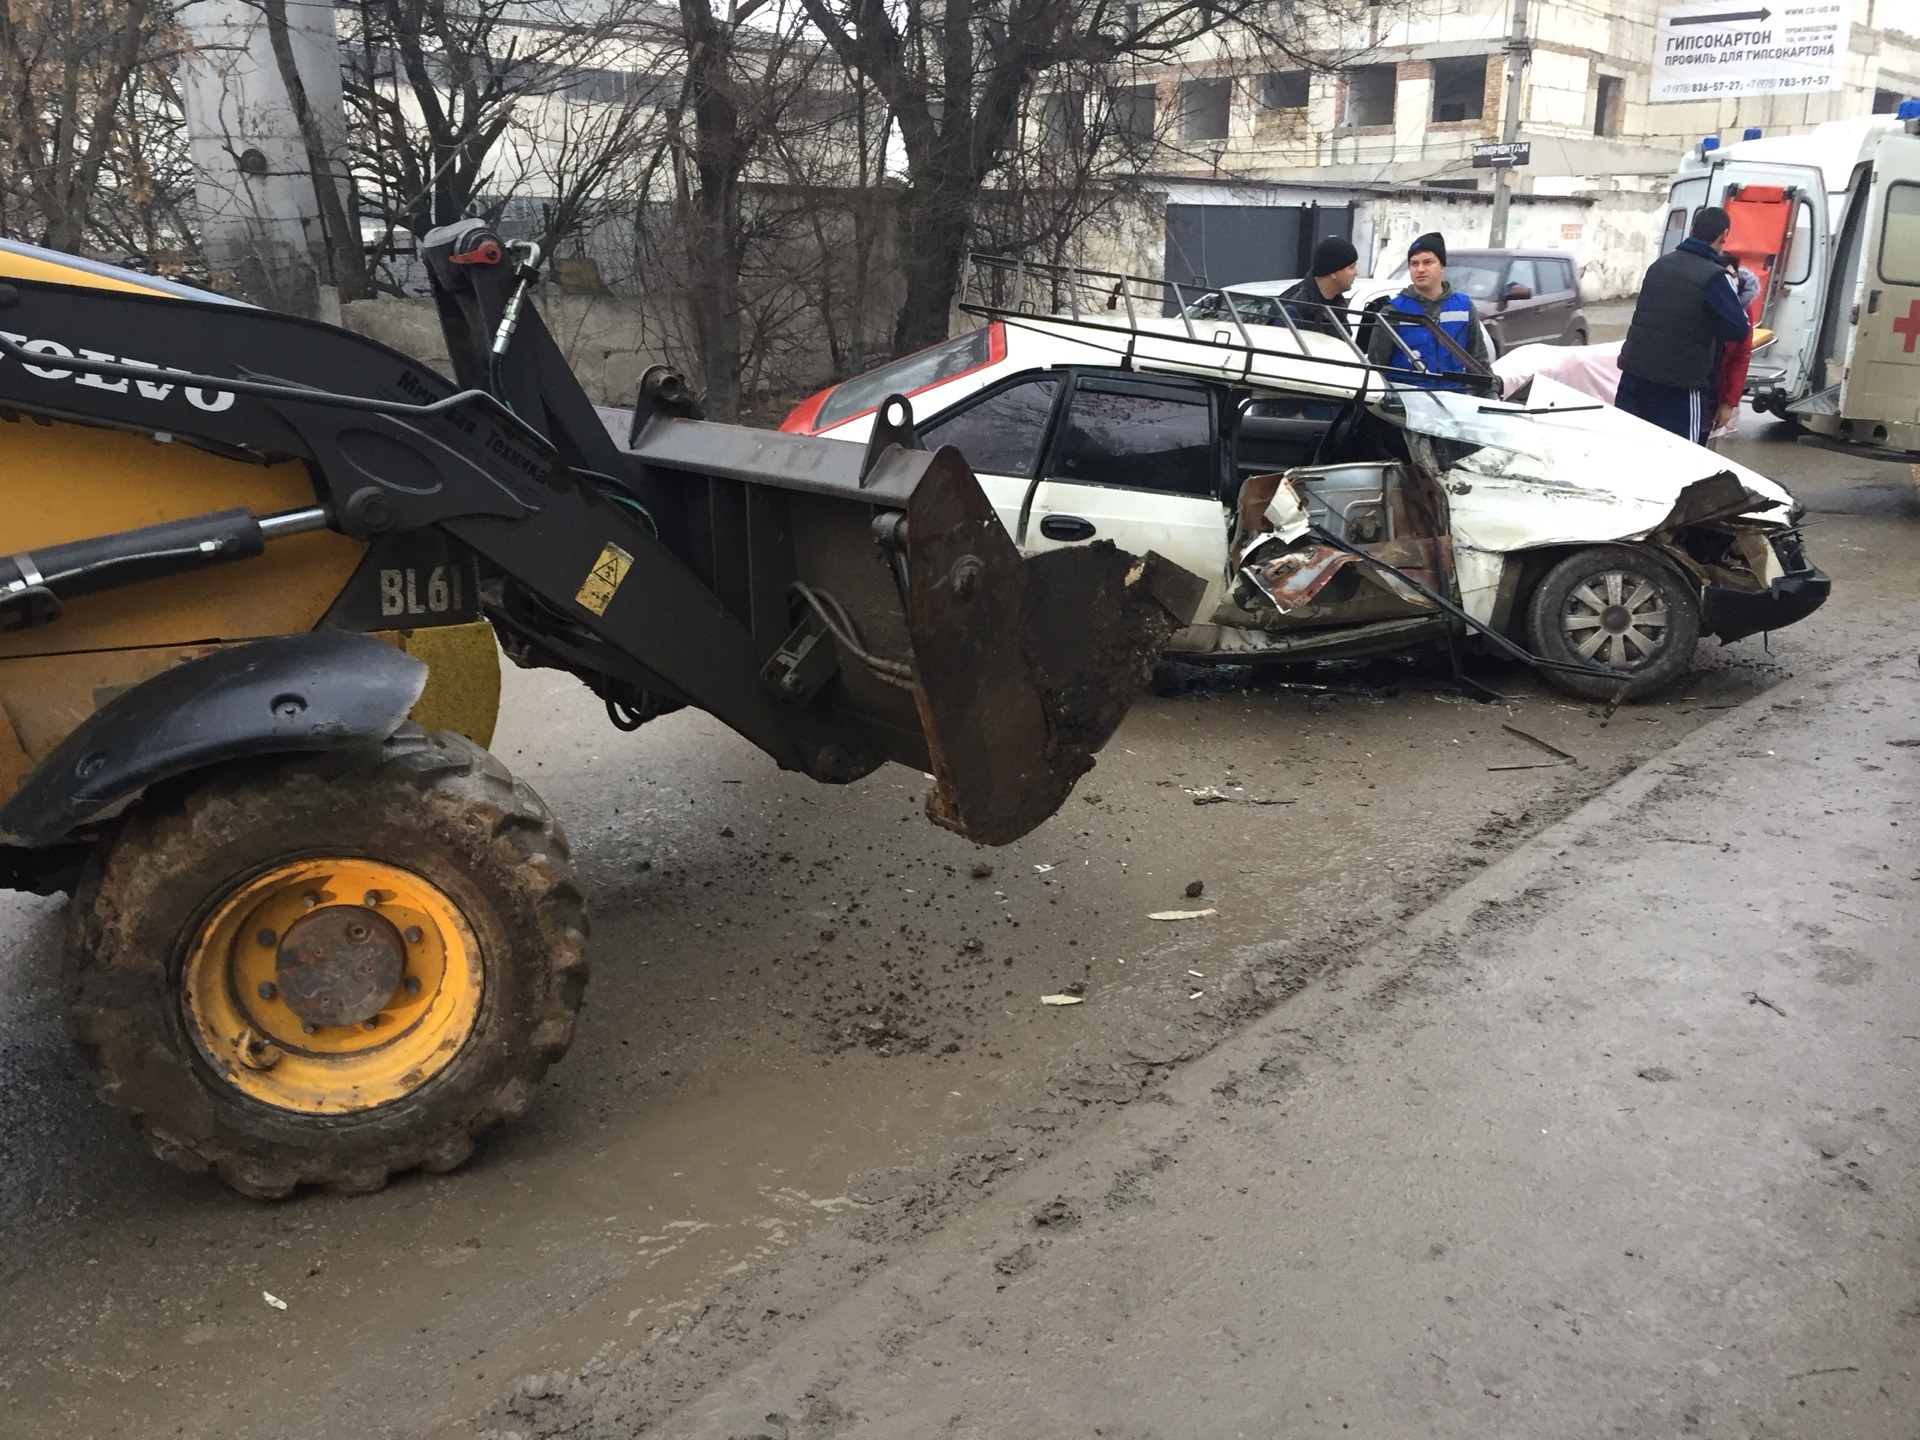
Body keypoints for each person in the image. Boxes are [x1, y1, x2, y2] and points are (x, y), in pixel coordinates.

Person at [1615, 206, 1751, 444]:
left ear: (1691, 230)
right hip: (1680, 386)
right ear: (1723, 236)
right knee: (1683, 458)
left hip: (1634, 377)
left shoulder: (1658, 266)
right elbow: (1739, 328)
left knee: (1630, 449)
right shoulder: (1716, 277)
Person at [1364, 232, 1493, 386]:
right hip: (1405, 403)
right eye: (1414, 264)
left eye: (1428, 262)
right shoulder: (1393, 311)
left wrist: (1490, 393)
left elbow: (1479, 362)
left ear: (1442, 266)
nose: (1420, 269)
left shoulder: (1464, 307)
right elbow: (1375, 369)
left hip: (1453, 401)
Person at [1274, 237, 1360, 338]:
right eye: (1351, 267)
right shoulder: (1296, 306)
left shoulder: (1337, 305)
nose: (1356, 273)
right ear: (1333, 273)